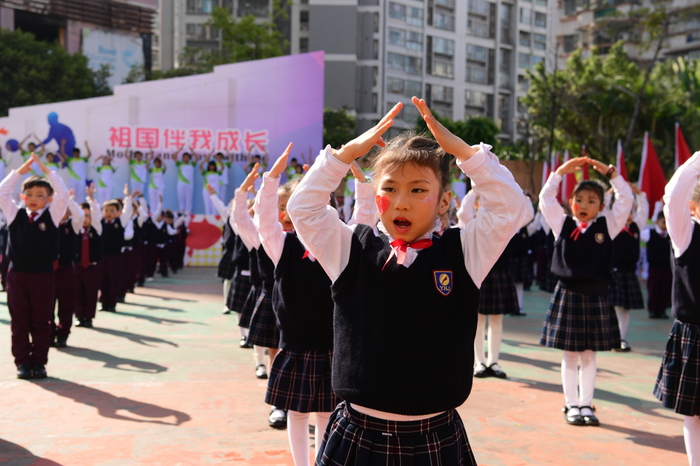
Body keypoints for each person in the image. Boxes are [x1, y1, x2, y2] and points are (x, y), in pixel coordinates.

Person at [287, 98, 529, 465]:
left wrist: (466, 154)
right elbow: (302, 209)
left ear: (444, 202)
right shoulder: (351, 249)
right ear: (375, 197)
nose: (401, 202)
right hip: (357, 433)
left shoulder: (465, 252)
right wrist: (343, 155)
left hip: (436, 436)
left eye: (418, 190)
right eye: (389, 189)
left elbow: (512, 208)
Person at [539, 155, 633, 427]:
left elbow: (625, 199)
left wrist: (611, 173)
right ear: (570, 202)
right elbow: (546, 198)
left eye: (592, 201)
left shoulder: (608, 226)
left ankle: (586, 405)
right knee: (570, 355)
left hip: (596, 295)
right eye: (579, 200)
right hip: (568, 294)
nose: (584, 205)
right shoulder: (562, 224)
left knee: (590, 355)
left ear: (602, 207)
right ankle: (571, 404)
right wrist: (560, 172)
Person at [0, 153, 69, 379]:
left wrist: (47, 171)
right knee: (19, 321)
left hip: (43, 276)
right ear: (22, 196)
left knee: (41, 321)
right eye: (29, 194)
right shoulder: (14, 214)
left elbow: (63, 194)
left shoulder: (53, 215)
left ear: (49, 199)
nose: (33, 198)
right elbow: (2, 193)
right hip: (17, 275)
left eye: (40, 195)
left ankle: (39, 362)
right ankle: (22, 362)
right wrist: (19, 172)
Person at [654, 151, 700, 466]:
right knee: (694, 413)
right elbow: (673, 195)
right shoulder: (686, 234)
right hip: (695, 334)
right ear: (693, 208)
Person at [609, 184, 649, 351]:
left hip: (629, 273)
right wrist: (609, 193)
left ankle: (622, 338)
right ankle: (613, 338)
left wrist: (640, 195)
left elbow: (643, 211)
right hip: (615, 273)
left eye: (631, 212)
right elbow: (604, 212)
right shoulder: (612, 226)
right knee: (616, 307)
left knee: (626, 309)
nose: (629, 216)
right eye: (626, 212)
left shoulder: (635, 227)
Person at [52, 190, 85, 348]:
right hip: (47, 270)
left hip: (65, 269)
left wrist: (68, 199)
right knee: (46, 305)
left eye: (64, 209)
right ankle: (49, 333)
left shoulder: (73, 225)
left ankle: (63, 334)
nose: (61, 212)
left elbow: (80, 215)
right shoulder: (48, 222)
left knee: (66, 304)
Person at [99, 185, 133, 312]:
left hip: (116, 256)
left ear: (118, 212)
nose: (108, 213)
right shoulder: (100, 223)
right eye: (106, 210)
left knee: (114, 279)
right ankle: (104, 303)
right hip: (102, 256)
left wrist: (128, 198)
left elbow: (127, 211)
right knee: (103, 280)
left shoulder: (121, 222)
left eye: (112, 210)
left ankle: (112, 303)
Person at [74, 184, 103, 329]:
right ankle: (79, 316)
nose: (85, 218)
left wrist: (91, 199)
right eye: (83, 215)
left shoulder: (96, 228)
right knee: (77, 292)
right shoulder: (76, 229)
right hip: (77, 266)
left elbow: (96, 215)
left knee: (91, 293)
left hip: (92, 267)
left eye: (88, 215)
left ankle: (89, 317)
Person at [642, 202, 673, 319]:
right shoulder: (649, 233)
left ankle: (662, 310)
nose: (665, 225)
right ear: (657, 222)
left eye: (667, 223)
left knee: (665, 290)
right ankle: (653, 310)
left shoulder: (671, 236)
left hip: (667, 268)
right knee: (653, 289)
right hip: (654, 268)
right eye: (663, 222)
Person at [173, 146, 197, 214]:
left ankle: (188, 211)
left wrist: (191, 150)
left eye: (187, 157)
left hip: (189, 184)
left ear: (189, 158)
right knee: (181, 197)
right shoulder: (180, 164)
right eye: (185, 157)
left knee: (189, 197)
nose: (186, 158)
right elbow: (174, 157)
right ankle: (181, 210)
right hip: (181, 183)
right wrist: (179, 149)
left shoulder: (192, 164)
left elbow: (196, 157)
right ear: (183, 158)